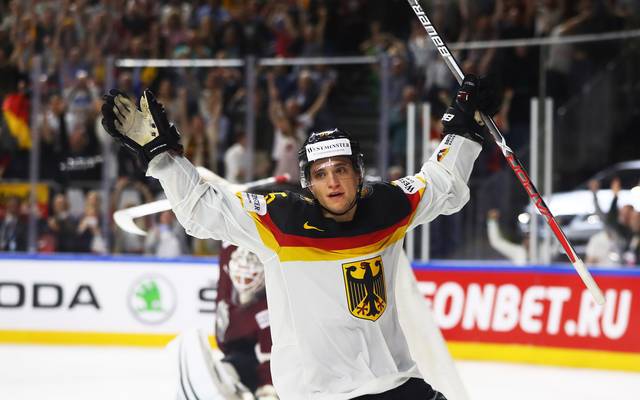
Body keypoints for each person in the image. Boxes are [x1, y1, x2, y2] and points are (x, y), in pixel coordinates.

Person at [101, 75, 497, 399]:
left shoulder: (390, 207)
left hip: (393, 383)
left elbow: (442, 184)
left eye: (341, 170)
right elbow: (204, 211)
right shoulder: (281, 222)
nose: (334, 182)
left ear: (359, 173)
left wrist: (464, 126)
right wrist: (162, 155)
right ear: (307, 182)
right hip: (319, 394)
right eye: (321, 174)